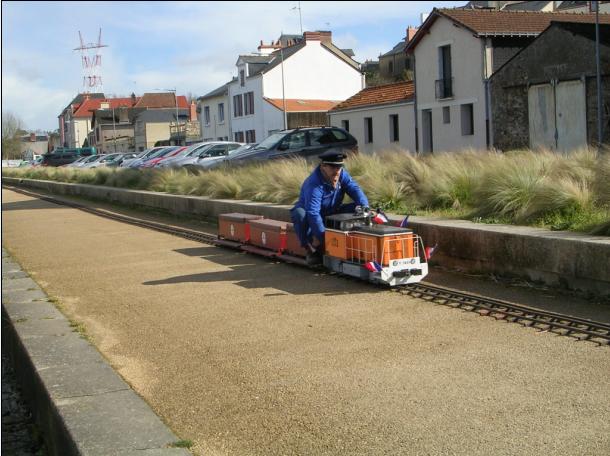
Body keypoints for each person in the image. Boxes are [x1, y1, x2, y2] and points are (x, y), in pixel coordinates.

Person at [290, 149, 369, 265]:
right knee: (299, 214)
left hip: (333, 211)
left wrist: (364, 206)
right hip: (312, 216)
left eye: (339, 167)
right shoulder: (314, 184)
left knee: (359, 208)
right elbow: (313, 213)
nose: (337, 171)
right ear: (323, 166)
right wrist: (324, 240)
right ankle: (310, 249)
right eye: (332, 167)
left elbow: (355, 189)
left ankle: (359, 241)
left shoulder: (342, 174)